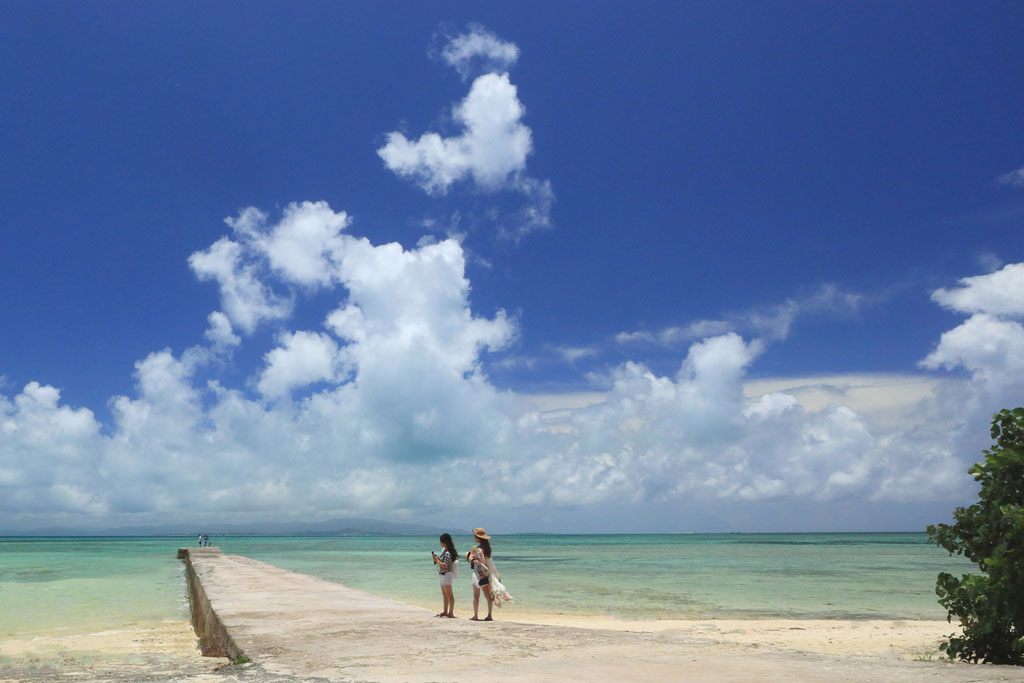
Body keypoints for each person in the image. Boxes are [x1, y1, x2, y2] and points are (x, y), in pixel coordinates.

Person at [431, 533, 458, 618]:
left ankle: (451, 613)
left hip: (446, 574)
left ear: (444, 542)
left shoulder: (448, 553)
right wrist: (437, 559)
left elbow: (445, 565)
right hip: (443, 575)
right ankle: (445, 611)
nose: (440, 543)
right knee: (444, 594)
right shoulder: (445, 551)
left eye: (441, 541)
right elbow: (443, 563)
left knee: (449, 595)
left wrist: (437, 560)